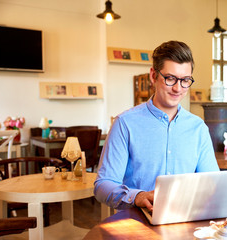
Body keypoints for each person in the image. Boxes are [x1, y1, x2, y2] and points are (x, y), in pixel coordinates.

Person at [94, 40, 219, 211]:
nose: (178, 88)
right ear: (153, 76)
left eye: (185, 80)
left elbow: (213, 183)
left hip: (186, 222)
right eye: (170, 78)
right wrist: (137, 196)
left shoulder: (198, 128)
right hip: (137, 223)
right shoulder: (125, 124)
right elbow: (102, 185)